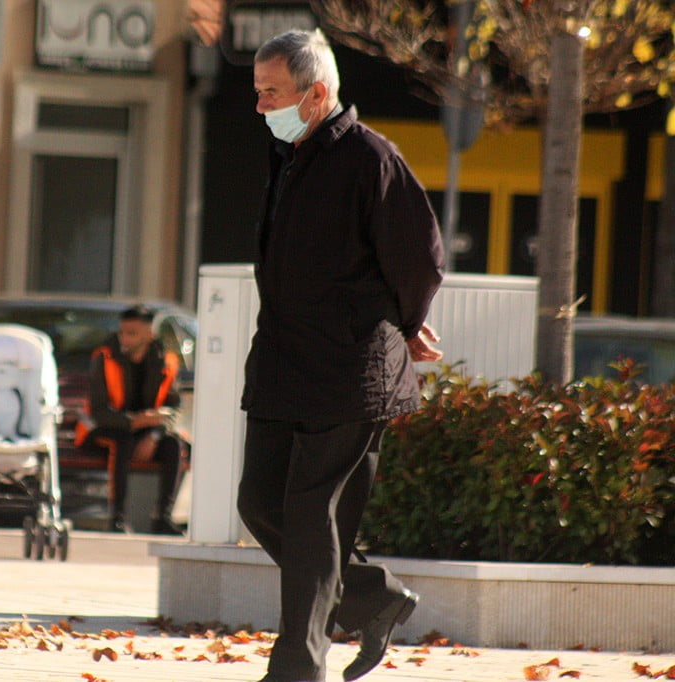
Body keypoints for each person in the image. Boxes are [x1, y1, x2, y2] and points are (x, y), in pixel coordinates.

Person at [237, 30, 446, 682]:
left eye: (271, 92)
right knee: (259, 504)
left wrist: (405, 325)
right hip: (282, 362)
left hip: (349, 366)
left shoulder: (371, 159)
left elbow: (420, 260)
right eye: (257, 91)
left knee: (309, 513)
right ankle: (372, 597)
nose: (260, 105)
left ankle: (297, 667)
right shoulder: (289, 155)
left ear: (316, 93)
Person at [76, 305, 187, 535]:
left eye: (132, 333)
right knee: (122, 441)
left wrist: (154, 435)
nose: (124, 338)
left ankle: (162, 518)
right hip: (101, 430)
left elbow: (173, 408)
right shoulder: (104, 357)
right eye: (122, 332)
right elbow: (98, 412)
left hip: (145, 431)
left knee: (174, 445)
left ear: (149, 335)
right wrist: (134, 422)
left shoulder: (166, 361)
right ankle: (117, 518)